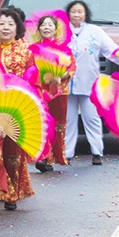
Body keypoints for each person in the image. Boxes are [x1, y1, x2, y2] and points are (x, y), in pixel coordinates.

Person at [0, 7, 36, 213]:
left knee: (13, 155)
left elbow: (33, 77)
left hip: (16, 109)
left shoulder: (26, 50)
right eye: (2, 23)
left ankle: (11, 193)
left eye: (10, 24)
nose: (6, 27)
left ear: (17, 28)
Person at [64, 0, 119, 166]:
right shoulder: (62, 32)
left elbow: (112, 51)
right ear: (68, 14)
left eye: (80, 11)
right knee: (69, 120)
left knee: (92, 118)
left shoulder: (95, 32)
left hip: (89, 83)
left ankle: (96, 152)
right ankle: (67, 154)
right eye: (73, 11)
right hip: (66, 84)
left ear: (85, 14)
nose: (76, 15)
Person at [32, 14, 76, 173]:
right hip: (39, 90)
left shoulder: (64, 49)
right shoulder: (32, 49)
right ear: (38, 29)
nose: (46, 28)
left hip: (58, 92)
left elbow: (71, 68)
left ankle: (51, 157)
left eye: (50, 25)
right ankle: (43, 156)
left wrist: (62, 76)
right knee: (42, 122)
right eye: (43, 25)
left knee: (57, 124)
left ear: (55, 29)